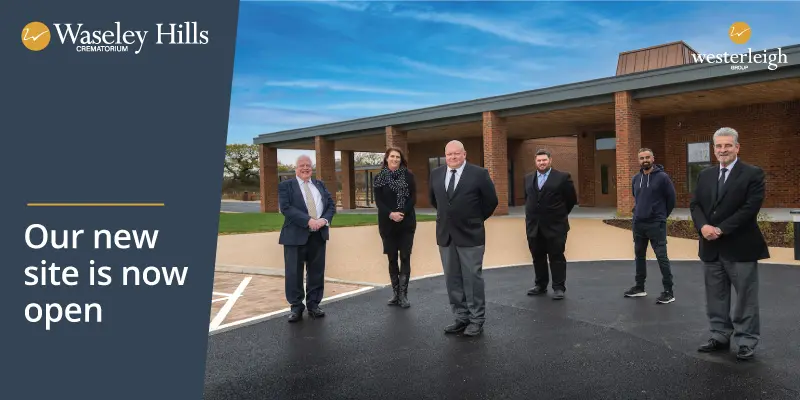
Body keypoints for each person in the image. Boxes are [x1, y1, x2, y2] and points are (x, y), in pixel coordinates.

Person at [689, 127, 768, 361]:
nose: (723, 150)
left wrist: (721, 229)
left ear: (737, 147)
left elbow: (749, 208)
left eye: (727, 145)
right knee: (716, 295)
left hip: (740, 246)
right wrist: (703, 227)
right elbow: (696, 205)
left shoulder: (753, 174)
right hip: (710, 247)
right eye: (719, 146)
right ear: (714, 149)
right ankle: (720, 334)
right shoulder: (705, 175)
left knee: (746, 297)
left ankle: (746, 340)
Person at [429, 140, 499, 337]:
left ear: (464, 154)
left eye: (456, 154)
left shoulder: (479, 174)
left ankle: (476, 320)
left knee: (472, 278)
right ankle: (461, 317)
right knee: (452, 279)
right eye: (449, 154)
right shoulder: (436, 174)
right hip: (446, 236)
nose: (452, 157)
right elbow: (435, 200)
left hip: (471, 235)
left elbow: (491, 201)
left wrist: (475, 220)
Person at [277, 154, 337, 323]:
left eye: (308, 165)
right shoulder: (286, 186)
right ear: (295, 168)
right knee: (294, 273)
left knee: (316, 272)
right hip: (295, 236)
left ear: (312, 168)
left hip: (318, 235)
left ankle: (314, 305)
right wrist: (308, 220)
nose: (305, 168)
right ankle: (296, 307)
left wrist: (323, 220)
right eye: (302, 165)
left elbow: (331, 205)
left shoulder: (319, 185)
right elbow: (286, 208)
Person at [623, 148, 677, 304]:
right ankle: (639, 287)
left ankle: (669, 291)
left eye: (647, 157)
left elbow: (671, 199)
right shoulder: (636, 178)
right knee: (639, 256)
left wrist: (660, 215)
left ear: (653, 158)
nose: (644, 160)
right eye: (641, 158)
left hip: (656, 223)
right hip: (639, 223)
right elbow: (637, 197)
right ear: (638, 160)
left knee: (662, 257)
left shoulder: (662, 178)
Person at [524, 149, 577, 300]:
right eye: (539, 160)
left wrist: (559, 215)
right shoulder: (528, 178)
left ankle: (559, 287)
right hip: (534, 227)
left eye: (544, 160)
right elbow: (529, 199)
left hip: (556, 226)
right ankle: (540, 285)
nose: (542, 163)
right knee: (537, 256)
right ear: (535, 161)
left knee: (556, 256)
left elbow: (571, 199)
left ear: (550, 160)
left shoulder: (562, 177)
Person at [373, 147, 417, 309]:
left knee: (405, 257)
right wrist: (391, 214)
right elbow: (379, 201)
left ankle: (403, 296)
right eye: (392, 156)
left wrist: (402, 213)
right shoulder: (379, 178)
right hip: (387, 223)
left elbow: (413, 198)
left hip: (406, 223)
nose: (395, 159)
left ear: (401, 159)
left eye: (397, 157)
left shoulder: (408, 176)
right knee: (392, 258)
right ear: (386, 158)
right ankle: (395, 294)